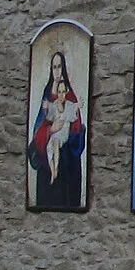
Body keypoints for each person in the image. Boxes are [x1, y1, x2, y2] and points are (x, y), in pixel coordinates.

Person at [27, 49, 86, 209]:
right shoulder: (46, 98)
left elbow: (77, 130)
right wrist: (50, 130)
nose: (57, 71)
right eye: (54, 67)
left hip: (66, 164)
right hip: (46, 161)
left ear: (64, 68)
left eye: (59, 66)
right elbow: (37, 130)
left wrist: (67, 136)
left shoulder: (70, 98)